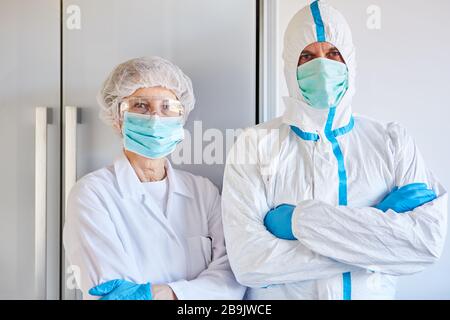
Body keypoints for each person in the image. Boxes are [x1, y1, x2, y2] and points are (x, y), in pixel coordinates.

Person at [221, 0, 447, 300]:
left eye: (333, 53)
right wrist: (374, 235)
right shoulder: (254, 145)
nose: (322, 65)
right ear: (290, 64)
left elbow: (425, 245)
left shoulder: (392, 142)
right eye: (307, 56)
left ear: (349, 62)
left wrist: (300, 222)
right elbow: (250, 263)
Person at [63, 56, 245, 300]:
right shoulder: (92, 194)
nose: (155, 118)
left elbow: (231, 280)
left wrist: (166, 294)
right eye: (140, 105)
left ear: (181, 119)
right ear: (117, 118)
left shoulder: (204, 192)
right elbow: (112, 291)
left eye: (167, 107)